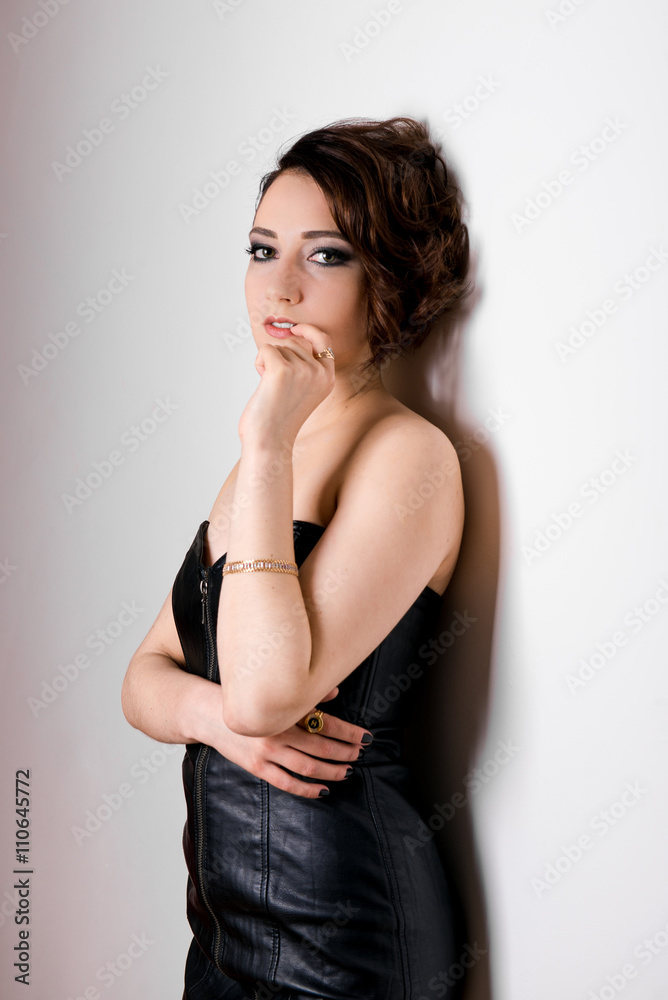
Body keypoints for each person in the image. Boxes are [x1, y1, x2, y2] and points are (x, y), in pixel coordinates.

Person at [122, 116, 470, 1000]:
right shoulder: (259, 459)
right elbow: (143, 681)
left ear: (386, 277)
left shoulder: (408, 454)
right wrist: (208, 719)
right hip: (224, 923)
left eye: (325, 256)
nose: (278, 286)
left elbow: (270, 693)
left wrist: (270, 445)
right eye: (260, 248)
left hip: (343, 924)